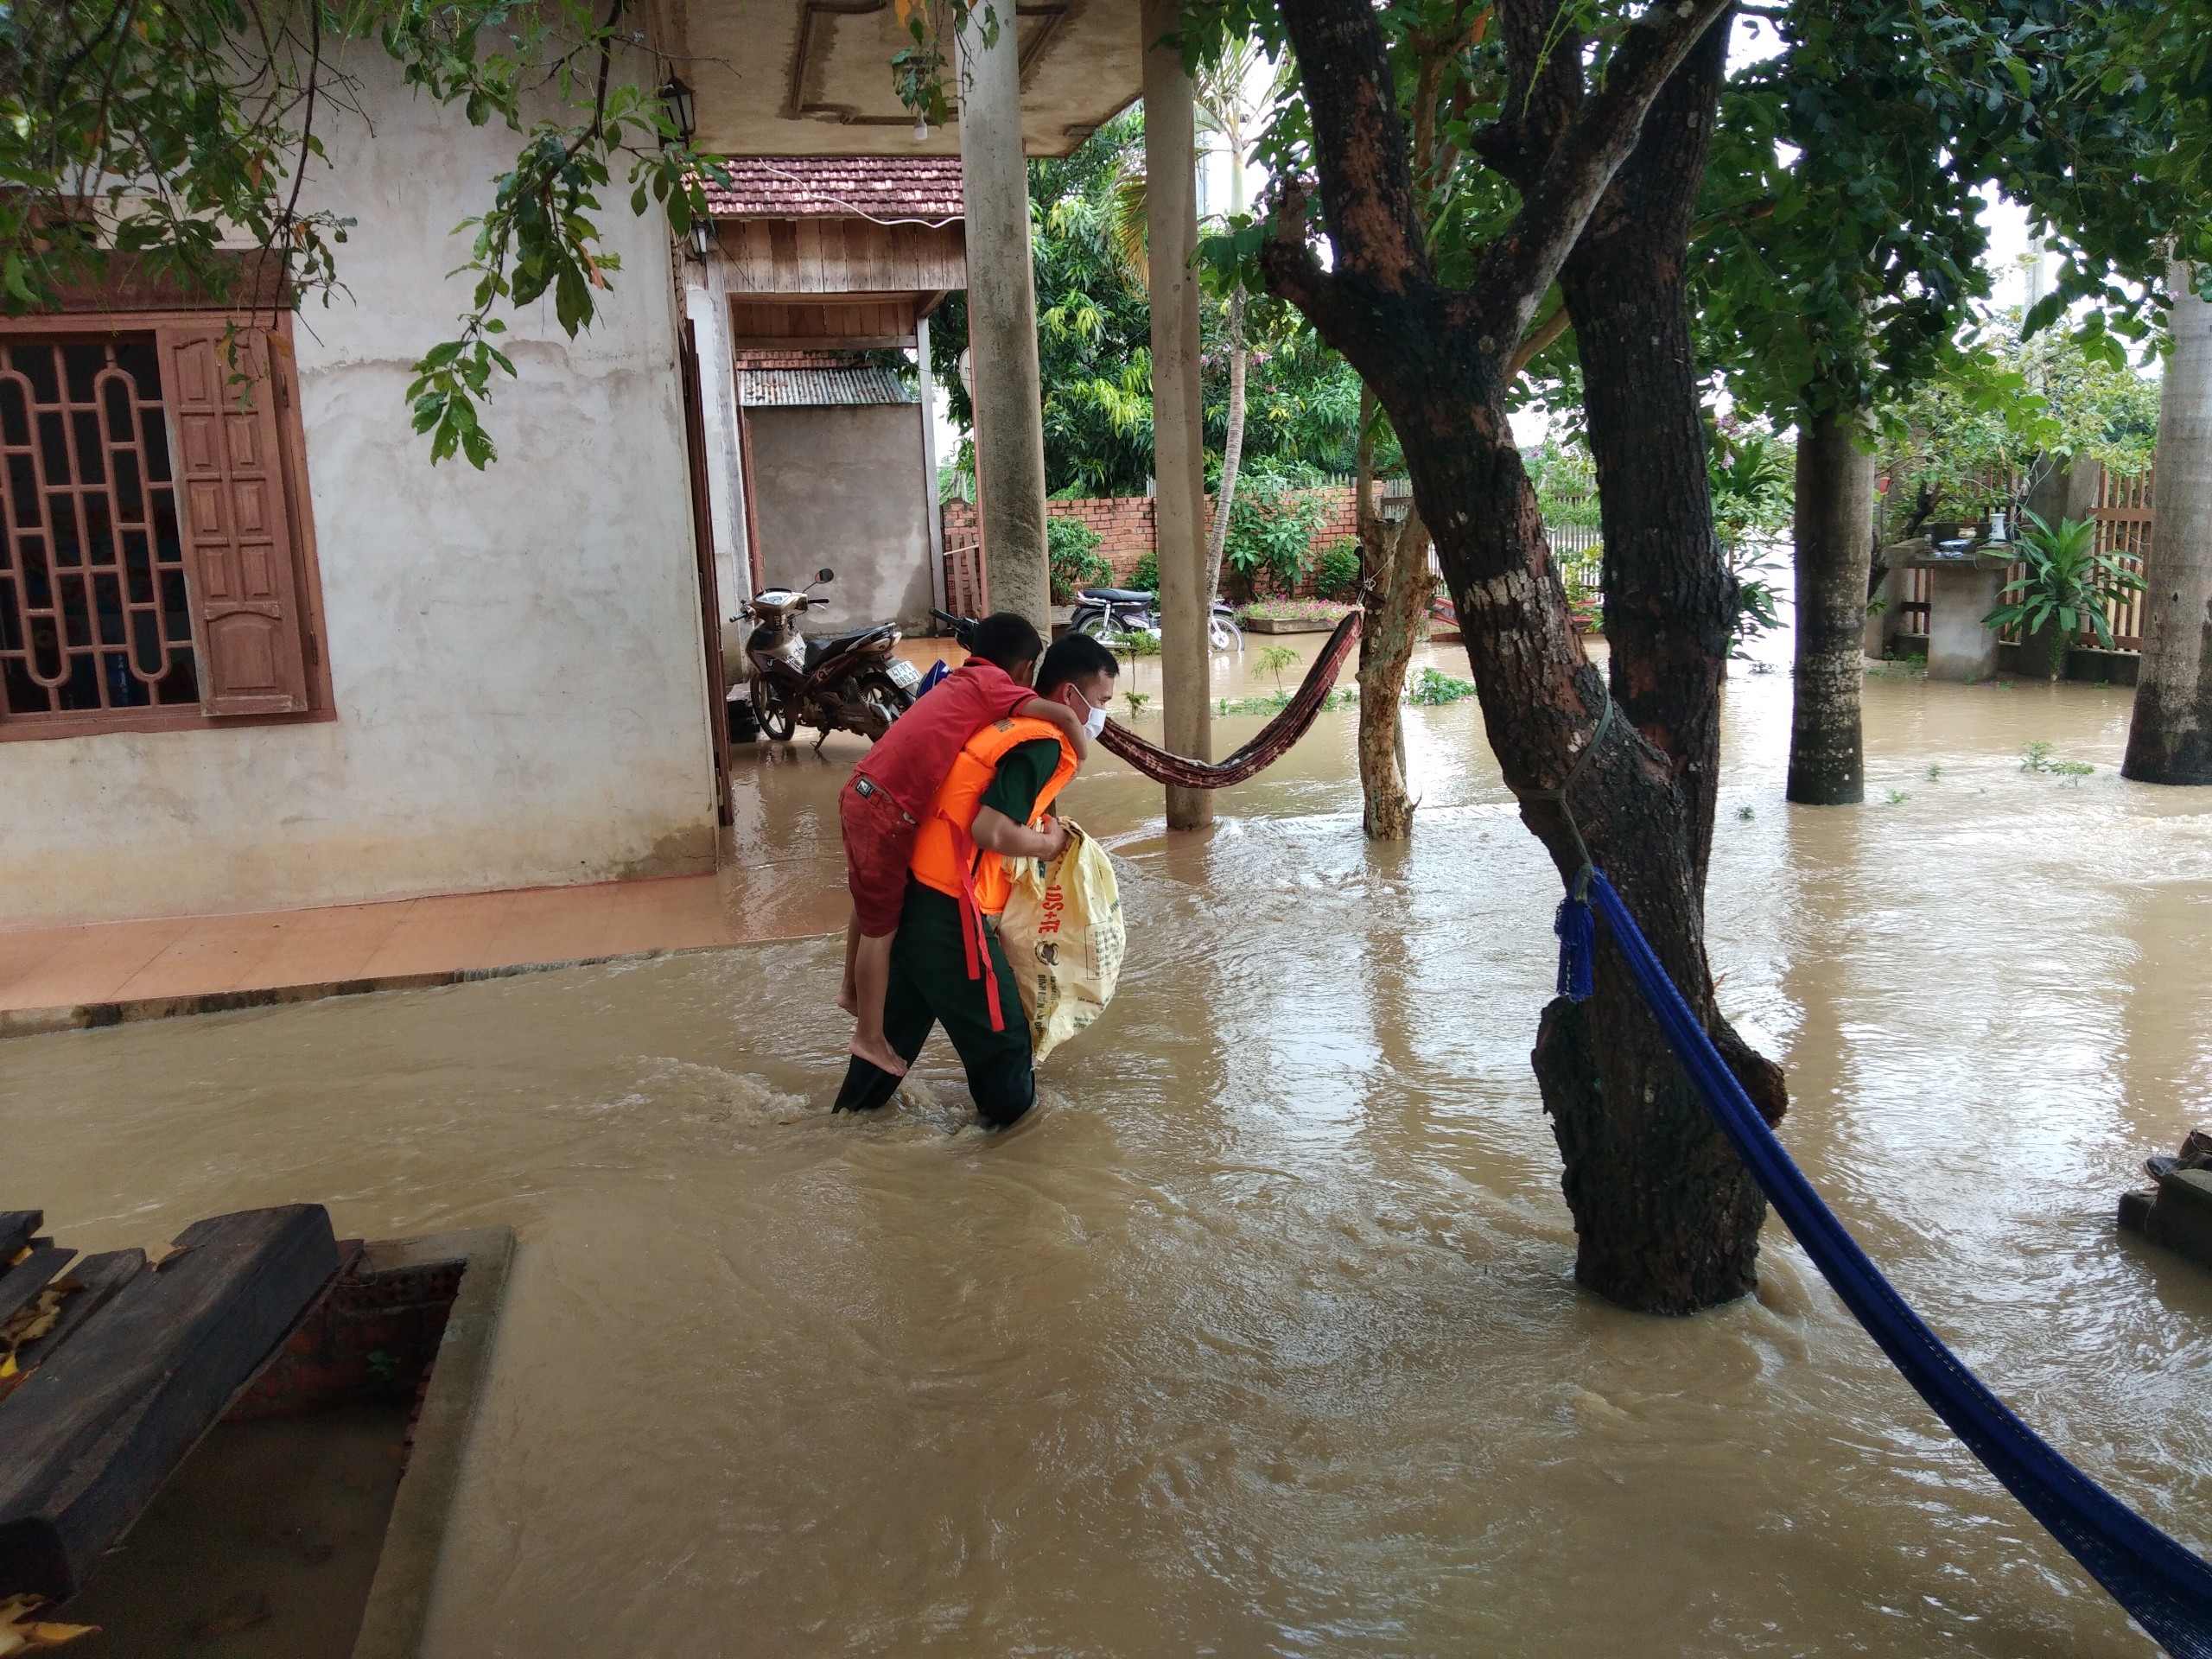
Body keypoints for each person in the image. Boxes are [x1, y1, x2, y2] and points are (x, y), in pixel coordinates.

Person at [833, 632, 1120, 1128]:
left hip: (914, 888)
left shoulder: (1005, 722)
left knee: (891, 1038)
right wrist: (1047, 846)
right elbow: (990, 828)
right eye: (1100, 702)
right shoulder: (1045, 745)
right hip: (946, 907)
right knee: (1006, 1051)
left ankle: (838, 1132)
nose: (1101, 715)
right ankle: (1011, 1163)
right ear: (1069, 696)